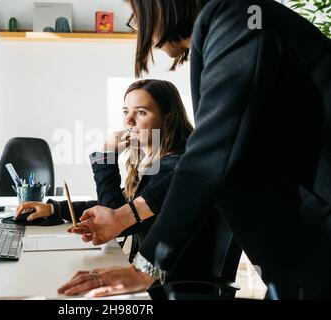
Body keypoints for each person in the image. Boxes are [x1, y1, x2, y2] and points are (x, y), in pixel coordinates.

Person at [59, 0, 331, 299]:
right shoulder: (233, 23)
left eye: (136, 15)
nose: (142, 31)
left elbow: (209, 159)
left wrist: (146, 268)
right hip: (298, 259)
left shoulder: (240, 18)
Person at [17, 79, 203, 266]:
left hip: (160, 281)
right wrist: (53, 208)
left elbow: (113, 218)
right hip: (147, 271)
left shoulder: (172, 169)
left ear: (167, 119)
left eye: (141, 112)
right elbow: (122, 206)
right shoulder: (156, 164)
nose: (128, 121)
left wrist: (107, 157)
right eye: (125, 111)